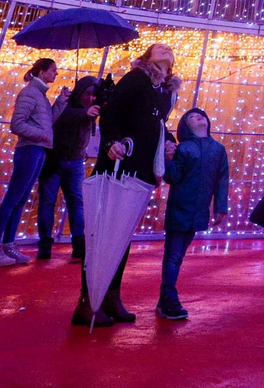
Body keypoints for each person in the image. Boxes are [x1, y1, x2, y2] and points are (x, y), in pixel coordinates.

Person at [74, 43, 179, 328]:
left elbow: (154, 124)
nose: (167, 49)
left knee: (121, 234)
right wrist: (111, 143)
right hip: (120, 163)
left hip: (140, 168)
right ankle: (88, 300)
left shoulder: (165, 91)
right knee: (104, 231)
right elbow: (112, 114)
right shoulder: (137, 79)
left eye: (170, 48)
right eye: (161, 47)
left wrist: (168, 142)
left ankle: (110, 294)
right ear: (147, 57)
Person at [0, 58, 67, 267]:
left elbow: (46, 120)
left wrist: (61, 101)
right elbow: (17, 124)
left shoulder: (40, 95)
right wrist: (40, 135)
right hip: (29, 149)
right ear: (41, 71)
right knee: (13, 198)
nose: (56, 74)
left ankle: (8, 245)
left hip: (38, 149)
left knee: (20, 199)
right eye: (53, 70)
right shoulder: (30, 93)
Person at [158, 107, 229, 320]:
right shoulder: (184, 149)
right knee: (174, 256)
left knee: (176, 255)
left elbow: (222, 179)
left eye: (201, 115)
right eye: (192, 117)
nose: (198, 117)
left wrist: (220, 207)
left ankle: (166, 297)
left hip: (197, 212)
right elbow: (173, 177)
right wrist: (169, 160)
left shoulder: (218, 149)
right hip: (180, 210)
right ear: (186, 127)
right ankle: (169, 297)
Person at [39, 75, 99, 261]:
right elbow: (56, 116)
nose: (90, 98)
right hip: (55, 160)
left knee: (77, 203)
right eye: (87, 94)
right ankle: (45, 244)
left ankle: (79, 244)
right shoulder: (66, 102)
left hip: (75, 161)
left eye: (93, 96)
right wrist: (83, 113)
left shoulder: (92, 109)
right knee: (48, 202)